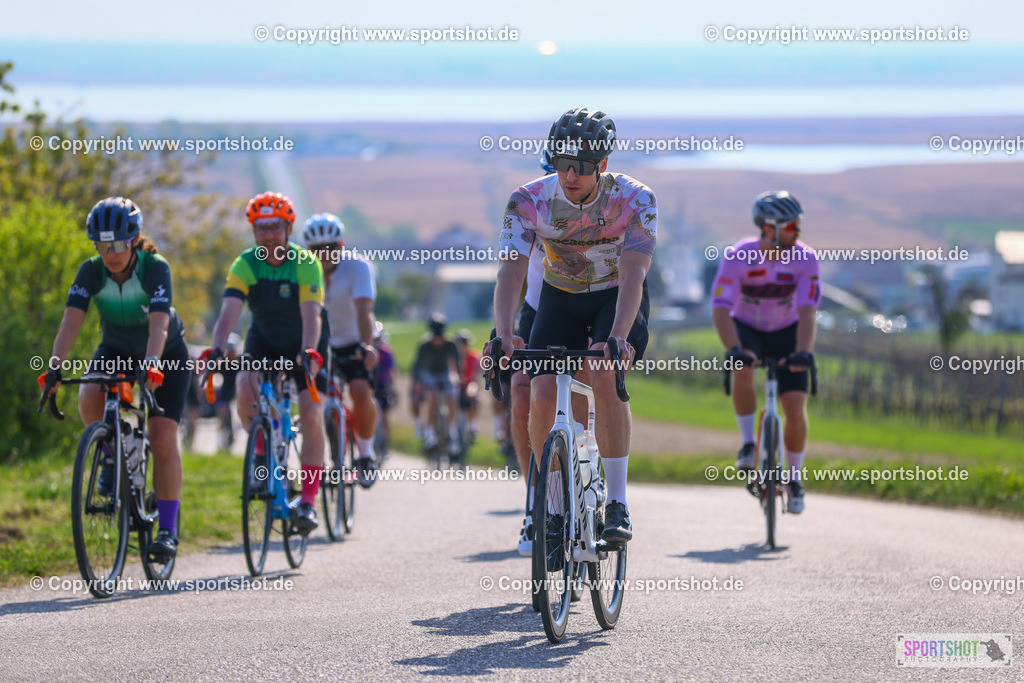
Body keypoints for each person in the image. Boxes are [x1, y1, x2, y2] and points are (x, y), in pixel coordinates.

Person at [492, 108, 656, 548]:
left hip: (615, 296)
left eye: (580, 167)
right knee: (539, 390)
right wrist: (503, 332)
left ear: (603, 164)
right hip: (559, 297)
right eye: (561, 162)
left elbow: (635, 271)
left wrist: (618, 336)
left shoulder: (636, 199)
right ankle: (553, 504)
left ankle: (617, 502)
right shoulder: (527, 200)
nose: (568, 175)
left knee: (603, 373)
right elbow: (511, 270)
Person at [42, 197, 188, 562]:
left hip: (164, 352)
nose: (111, 253)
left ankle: (168, 530)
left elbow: (159, 323)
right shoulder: (90, 271)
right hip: (116, 350)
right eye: (102, 245)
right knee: (90, 394)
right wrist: (54, 367)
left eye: (119, 244)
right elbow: (71, 322)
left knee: (163, 436)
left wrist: (153, 365)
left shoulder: (155, 267)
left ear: (135, 238)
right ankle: (110, 454)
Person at [201, 191, 327, 535]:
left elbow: (311, 315)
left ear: (288, 228)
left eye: (274, 227)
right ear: (254, 232)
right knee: (244, 386)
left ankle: (308, 502)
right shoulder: (246, 263)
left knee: (312, 412)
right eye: (261, 228)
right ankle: (261, 451)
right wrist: (215, 347)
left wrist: (308, 352)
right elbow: (229, 310)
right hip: (264, 340)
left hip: (306, 341)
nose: (268, 234)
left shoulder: (305, 263)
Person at [711, 190, 820, 514]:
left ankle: (795, 479)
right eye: (791, 225)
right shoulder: (738, 256)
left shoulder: (806, 258)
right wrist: (733, 349)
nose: (798, 231)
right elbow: (720, 308)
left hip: (787, 331)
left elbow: (808, 312)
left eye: (798, 224)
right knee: (743, 365)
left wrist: (803, 352)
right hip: (748, 327)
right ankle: (748, 443)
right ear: (769, 229)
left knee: (795, 406)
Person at [302, 213, 381, 488]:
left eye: (331, 248)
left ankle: (366, 455)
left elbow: (364, 309)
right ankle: (322, 459)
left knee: (360, 391)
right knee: (312, 404)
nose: (324, 255)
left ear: (341, 244)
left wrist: (366, 344)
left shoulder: (358, 266)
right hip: (318, 344)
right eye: (317, 249)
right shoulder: (301, 268)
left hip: (352, 340)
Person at [411, 313, 461, 453]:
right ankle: (430, 434)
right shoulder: (424, 345)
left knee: (452, 397)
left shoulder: (451, 344)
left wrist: (459, 377)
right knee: (431, 397)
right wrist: (418, 382)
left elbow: (457, 363)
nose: (438, 340)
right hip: (429, 373)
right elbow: (418, 365)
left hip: (445, 373)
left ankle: (452, 431)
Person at [371, 321, 396, 460]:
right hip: (371, 385)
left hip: (382, 385)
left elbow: (391, 372)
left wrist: (391, 388)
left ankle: (385, 443)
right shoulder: (367, 350)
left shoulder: (386, 353)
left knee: (385, 414)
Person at [455, 330, 481, 443]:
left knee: (472, 394)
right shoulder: (454, 357)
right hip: (457, 384)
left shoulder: (474, 356)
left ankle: (472, 426)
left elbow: (475, 375)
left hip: (470, 383)